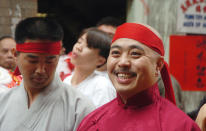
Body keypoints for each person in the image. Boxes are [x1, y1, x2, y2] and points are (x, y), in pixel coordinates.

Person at [77, 23, 201, 131]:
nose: (123, 62)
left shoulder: (180, 126)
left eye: (135, 54)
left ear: (158, 65)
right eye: (116, 53)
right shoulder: (93, 122)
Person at [0, 17, 95, 131]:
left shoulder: (79, 108)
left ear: (59, 56)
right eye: (33, 60)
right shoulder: (3, 101)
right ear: (16, 54)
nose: (41, 70)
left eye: (50, 61)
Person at [63, 27, 116, 108]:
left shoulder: (102, 86)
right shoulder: (66, 81)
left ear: (100, 61)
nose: (78, 47)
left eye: (88, 46)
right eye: (79, 42)